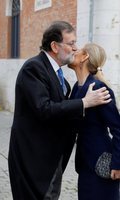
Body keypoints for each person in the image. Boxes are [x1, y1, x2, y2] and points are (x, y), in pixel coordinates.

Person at [8, 21, 111, 200]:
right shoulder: (33, 68)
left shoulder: (60, 76)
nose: (75, 48)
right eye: (71, 43)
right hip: (33, 161)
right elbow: (44, 109)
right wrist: (84, 103)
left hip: (52, 159)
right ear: (55, 46)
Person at [69, 43, 120, 200]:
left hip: (102, 163)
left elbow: (118, 129)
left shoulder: (99, 89)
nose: (74, 51)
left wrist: (117, 164)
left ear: (85, 57)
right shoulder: (77, 88)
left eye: (78, 51)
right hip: (85, 163)